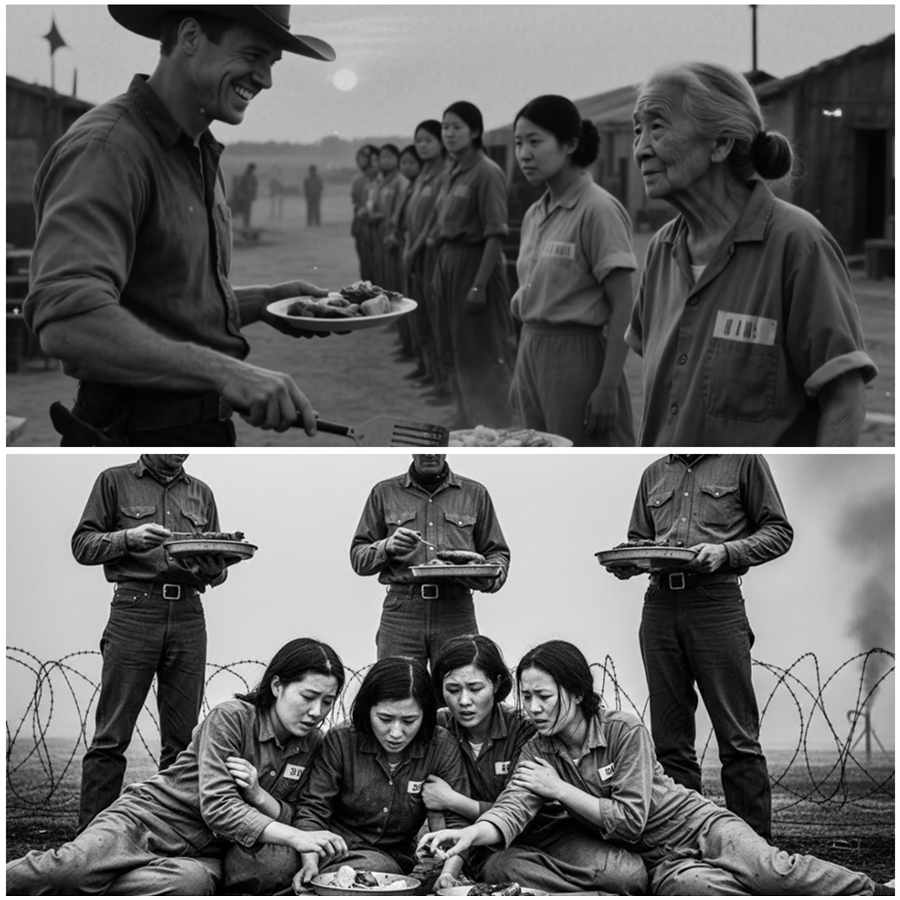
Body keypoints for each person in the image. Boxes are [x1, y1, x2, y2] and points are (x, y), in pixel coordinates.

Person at [24, 6, 339, 446]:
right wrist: (227, 371)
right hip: (132, 436)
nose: (266, 79)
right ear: (191, 36)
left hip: (197, 432)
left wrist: (266, 302)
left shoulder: (197, 149)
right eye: (253, 55)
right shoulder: (108, 150)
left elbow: (162, 302)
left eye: (272, 63)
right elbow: (68, 323)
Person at [419, 641, 893, 897]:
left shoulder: (623, 730)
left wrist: (560, 789)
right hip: (658, 861)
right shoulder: (537, 752)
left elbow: (630, 819)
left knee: (775, 873)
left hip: (696, 827)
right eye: (527, 697)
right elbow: (512, 810)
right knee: (697, 892)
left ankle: (875, 890)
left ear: (578, 692)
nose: (535, 708)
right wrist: (469, 835)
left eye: (544, 696)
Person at [627, 61, 877, 446]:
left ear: (721, 144)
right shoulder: (661, 250)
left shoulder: (799, 244)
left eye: (657, 127)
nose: (641, 149)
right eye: (637, 130)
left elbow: (845, 401)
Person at [7, 638, 350, 896]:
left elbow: (299, 813)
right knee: (67, 872)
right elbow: (219, 807)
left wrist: (261, 798)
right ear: (277, 686)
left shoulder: (314, 745)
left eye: (327, 701)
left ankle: (96, 884)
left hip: (203, 853)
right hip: (148, 822)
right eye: (308, 697)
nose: (317, 712)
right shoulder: (231, 719)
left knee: (191, 885)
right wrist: (298, 838)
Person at [604, 454, 793, 840]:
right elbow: (639, 540)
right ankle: (685, 844)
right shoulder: (653, 473)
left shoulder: (744, 461)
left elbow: (779, 532)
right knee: (670, 743)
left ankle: (752, 848)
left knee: (738, 740)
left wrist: (727, 552)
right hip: (659, 603)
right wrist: (629, 561)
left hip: (716, 601)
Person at [71, 454, 234, 830]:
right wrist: (128, 538)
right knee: (111, 735)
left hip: (189, 613)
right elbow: (82, 546)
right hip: (135, 608)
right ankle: (91, 838)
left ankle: (172, 833)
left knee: (183, 742)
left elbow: (218, 569)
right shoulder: (114, 480)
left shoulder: (202, 493)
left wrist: (214, 568)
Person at [425, 635, 642, 894]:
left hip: (549, 834)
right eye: (452, 690)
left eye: (475, 688)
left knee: (627, 875)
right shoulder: (437, 730)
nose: (463, 701)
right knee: (498, 868)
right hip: (495, 843)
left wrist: (453, 801)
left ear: (496, 684)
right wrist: (456, 854)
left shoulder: (527, 729)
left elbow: (525, 804)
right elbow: (511, 806)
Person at [512, 95, 637, 447]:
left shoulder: (598, 210)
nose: (524, 154)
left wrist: (607, 386)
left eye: (535, 142)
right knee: (536, 454)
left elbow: (624, 305)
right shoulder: (534, 214)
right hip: (531, 348)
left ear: (569, 145)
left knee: (578, 451)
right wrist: (522, 371)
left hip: (576, 356)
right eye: (518, 143)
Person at [290, 657, 470, 892]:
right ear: (368, 709)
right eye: (385, 719)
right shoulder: (341, 740)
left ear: (425, 715)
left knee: (390, 870)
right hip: (336, 852)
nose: (396, 732)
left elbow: (458, 825)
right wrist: (310, 863)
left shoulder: (441, 746)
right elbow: (313, 809)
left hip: (397, 861)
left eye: (409, 720)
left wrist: (448, 874)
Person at [350, 454, 510, 669]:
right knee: (397, 683)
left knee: (459, 683)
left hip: (456, 611)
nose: (430, 454)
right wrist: (386, 546)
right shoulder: (384, 492)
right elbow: (358, 558)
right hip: (402, 612)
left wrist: (489, 578)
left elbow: (497, 554)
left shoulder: (475, 493)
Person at [433, 101, 518, 429]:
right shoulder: (452, 171)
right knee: (455, 345)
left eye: (457, 127)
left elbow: (495, 233)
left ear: (476, 131)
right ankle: (467, 417)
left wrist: (479, 284)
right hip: (450, 262)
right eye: (445, 127)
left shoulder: (487, 172)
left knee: (482, 348)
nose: (449, 134)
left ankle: (496, 423)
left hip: (475, 263)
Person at [405, 120, 451, 402]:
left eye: (428, 140)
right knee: (421, 317)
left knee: (436, 321)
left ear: (441, 143)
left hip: (431, 255)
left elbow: (433, 222)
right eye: (418, 140)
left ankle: (444, 384)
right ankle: (430, 372)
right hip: (417, 254)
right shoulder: (423, 176)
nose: (422, 145)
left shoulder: (445, 176)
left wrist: (414, 248)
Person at [351, 144, 379, 280]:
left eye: (365, 156)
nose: (362, 160)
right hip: (362, 229)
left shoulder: (381, 180)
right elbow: (356, 203)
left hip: (377, 229)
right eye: (360, 156)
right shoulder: (358, 181)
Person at [234, 162, 259, 230]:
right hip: (245, 196)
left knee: (248, 211)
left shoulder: (253, 176)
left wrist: (254, 195)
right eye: (252, 169)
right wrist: (245, 189)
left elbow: (255, 186)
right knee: (246, 211)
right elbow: (240, 185)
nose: (253, 170)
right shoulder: (245, 176)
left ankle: (247, 224)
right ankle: (245, 225)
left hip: (249, 196)